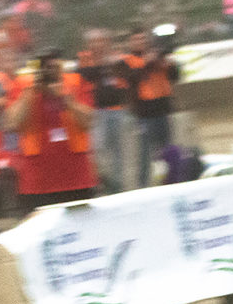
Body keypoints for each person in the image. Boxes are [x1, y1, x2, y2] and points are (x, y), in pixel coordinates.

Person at [4, 50, 97, 214]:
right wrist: (31, 91)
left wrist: (67, 100)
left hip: (76, 176)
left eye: (53, 66)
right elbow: (12, 123)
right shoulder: (23, 85)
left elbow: (89, 121)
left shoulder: (74, 82)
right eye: (45, 68)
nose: (50, 72)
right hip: (38, 179)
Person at [118, 25, 180, 188]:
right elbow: (130, 80)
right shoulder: (126, 61)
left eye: (143, 39)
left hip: (162, 110)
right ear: (130, 43)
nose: (140, 42)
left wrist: (168, 62)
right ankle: (143, 187)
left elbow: (174, 76)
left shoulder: (158, 57)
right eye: (136, 40)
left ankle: (171, 182)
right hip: (143, 114)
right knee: (145, 155)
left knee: (168, 151)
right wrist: (147, 63)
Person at [77, 28, 130, 194]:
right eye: (94, 41)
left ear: (107, 42)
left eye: (101, 40)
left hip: (117, 110)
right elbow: (86, 76)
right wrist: (105, 64)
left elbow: (127, 77)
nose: (98, 45)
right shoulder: (85, 59)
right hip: (96, 112)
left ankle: (117, 186)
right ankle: (100, 182)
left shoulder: (118, 58)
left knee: (118, 151)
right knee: (97, 150)